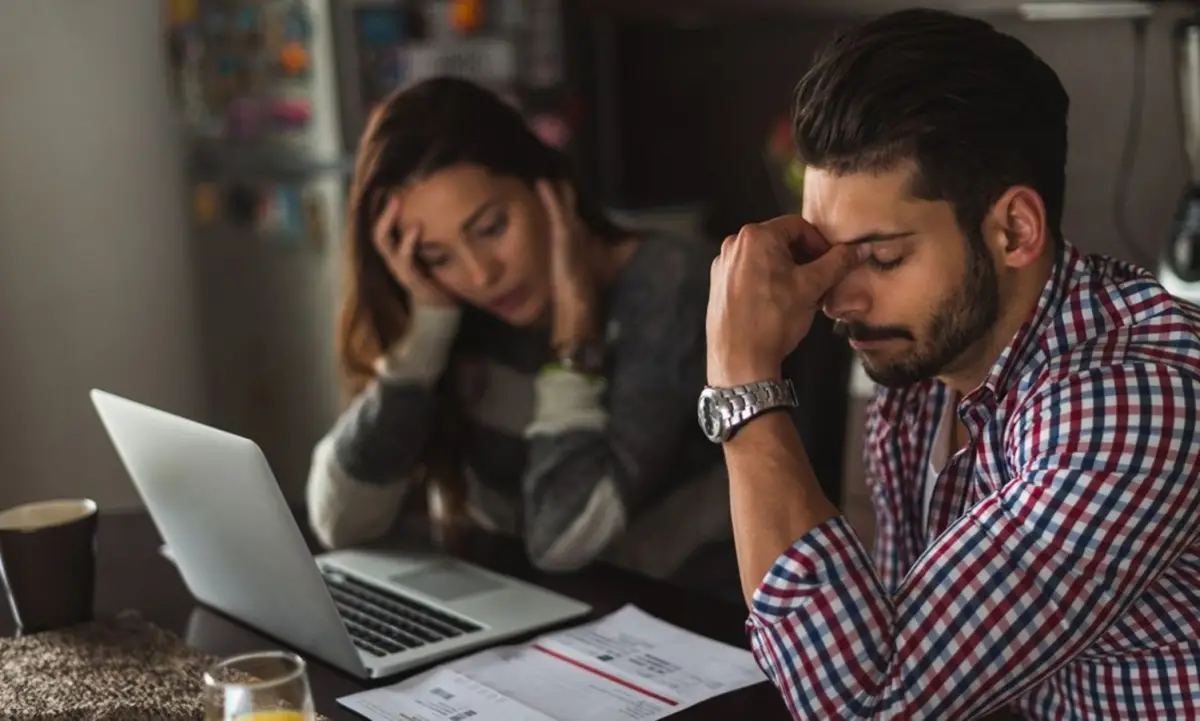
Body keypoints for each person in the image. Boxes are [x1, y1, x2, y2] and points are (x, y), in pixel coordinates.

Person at [702, 9, 1200, 720]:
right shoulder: (919, 377)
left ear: (1014, 230)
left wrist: (743, 383)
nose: (841, 299)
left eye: (881, 256)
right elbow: (900, 651)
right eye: (825, 254)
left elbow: (870, 701)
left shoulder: (1127, 402)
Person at [306, 76, 735, 597]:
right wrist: (426, 333)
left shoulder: (671, 286)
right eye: (438, 257)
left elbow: (563, 540)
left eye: (490, 228)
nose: (480, 275)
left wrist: (574, 337)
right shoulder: (458, 309)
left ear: (548, 185)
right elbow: (340, 522)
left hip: (679, 626)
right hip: (526, 618)